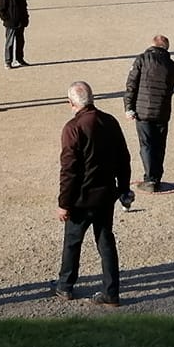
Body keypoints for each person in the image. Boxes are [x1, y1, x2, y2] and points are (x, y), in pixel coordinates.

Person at [54, 81, 132, 306]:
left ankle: (65, 285)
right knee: (106, 241)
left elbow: (69, 170)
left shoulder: (73, 128)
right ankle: (111, 291)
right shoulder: (109, 121)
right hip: (106, 194)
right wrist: (124, 188)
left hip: (81, 198)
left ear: (71, 103)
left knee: (72, 242)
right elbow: (123, 158)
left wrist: (63, 203)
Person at [124, 35, 174, 193]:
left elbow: (131, 84)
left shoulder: (142, 59)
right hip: (162, 110)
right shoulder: (173, 66)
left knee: (146, 145)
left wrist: (129, 107)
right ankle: (157, 176)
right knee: (159, 145)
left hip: (143, 110)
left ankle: (150, 179)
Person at [0, 0, 30, 68]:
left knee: (20, 42)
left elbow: (24, 6)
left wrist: (26, 18)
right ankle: (8, 61)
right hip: (11, 23)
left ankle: (20, 59)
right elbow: (0, 8)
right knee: (9, 43)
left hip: (21, 22)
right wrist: (6, 19)